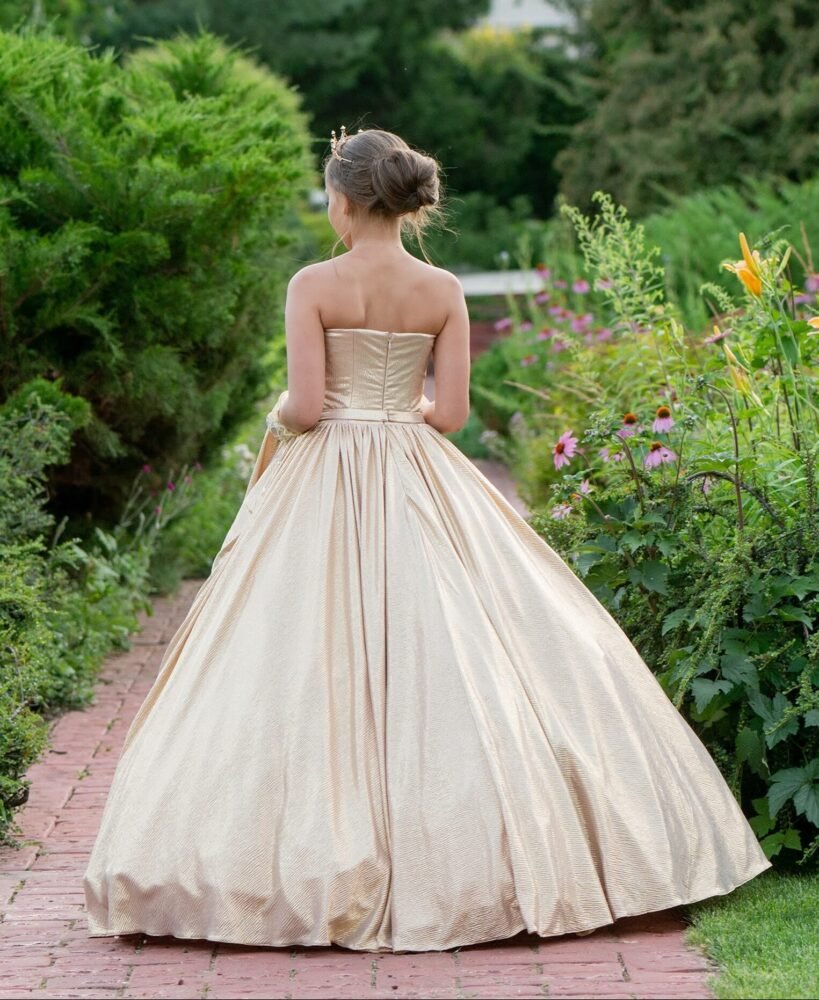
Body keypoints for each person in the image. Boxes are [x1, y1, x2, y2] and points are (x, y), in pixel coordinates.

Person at [83, 126, 771, 954]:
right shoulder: (442, 288)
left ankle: (274, 866)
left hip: (325, 474)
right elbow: (448, 417)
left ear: (341, 199)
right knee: (456, 646)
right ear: (402, 202)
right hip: (415, 470)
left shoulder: (313, 283)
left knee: (298, 654)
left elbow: (304, 406)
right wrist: (390, 421)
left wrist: (280, 425)